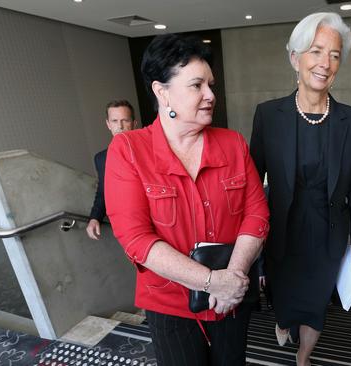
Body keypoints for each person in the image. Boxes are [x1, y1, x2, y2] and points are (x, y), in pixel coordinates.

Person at [104, 34, 269, 366]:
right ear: (162, 92)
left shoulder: (232, 143)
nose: (210, 95)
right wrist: (211, 281)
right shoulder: (129, 150)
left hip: (231, 301)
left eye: (211, 84)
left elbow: (257, 213)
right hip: (171, 306)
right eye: (197, 85)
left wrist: (231, 278)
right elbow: (136, 239)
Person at [250, 12, 351, 366]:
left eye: (334, 55)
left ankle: (303, 357)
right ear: (295, 57)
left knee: (316, 303)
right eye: (316, 51)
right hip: (280, 231)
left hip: (327, 232)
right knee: (283, 298)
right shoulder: (269, 115)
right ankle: (284, 321)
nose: (325, 63)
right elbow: (254, 182)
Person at [86, 100, 137, 240]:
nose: (120, 126)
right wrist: (94, 218)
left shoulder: (150, 150)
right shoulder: (101, 158)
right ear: (108, 124)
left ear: (134, 123)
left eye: (125, 120)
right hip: (127, 226)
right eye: (114, 121)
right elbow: (103, 191)